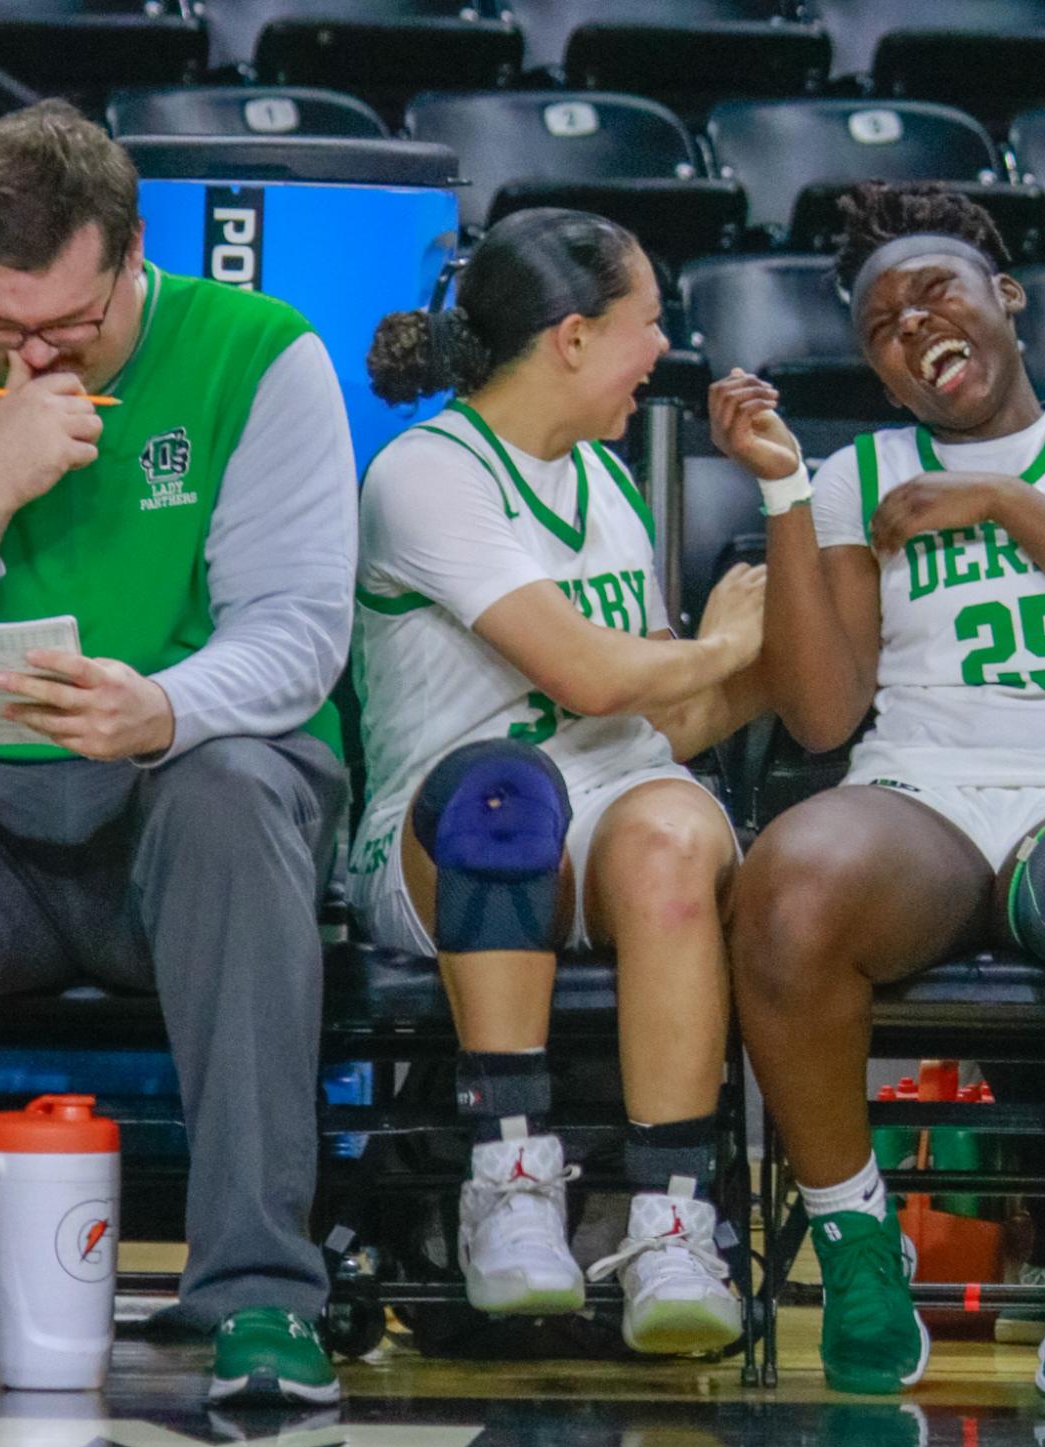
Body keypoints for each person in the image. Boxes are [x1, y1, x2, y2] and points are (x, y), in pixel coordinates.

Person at [0, 101, 357, 1407]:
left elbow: (298, 631)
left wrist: (158, 709)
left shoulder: (258, 353)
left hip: (174, 829)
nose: (37, 355)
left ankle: (263, 1299)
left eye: (69, 326)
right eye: (2, 330)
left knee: (232, 782)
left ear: (132, 254)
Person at [713, 182, 1045, 1409]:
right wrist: (783, 491)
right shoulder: (858, 476)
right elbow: (825, 715)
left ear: (1006, 297)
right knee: (786, 881)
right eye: (882, 325)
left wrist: (1006, 502)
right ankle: (851, 1238)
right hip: (925, 791)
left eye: (935, 290)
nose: (912, 324)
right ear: (879, 377)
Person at [351, 209, 765, 1356]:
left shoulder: (602, 478)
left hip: (606, 827)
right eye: (648, 324)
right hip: (446, 846)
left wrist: (784, 641)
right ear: (574, 337)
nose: (660, 351)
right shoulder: (426, 476)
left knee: (677, 829)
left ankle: (674, 1224)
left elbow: (665, 715)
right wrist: (730, 644)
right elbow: (589, 675)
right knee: (506, 791)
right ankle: (510, 1179)